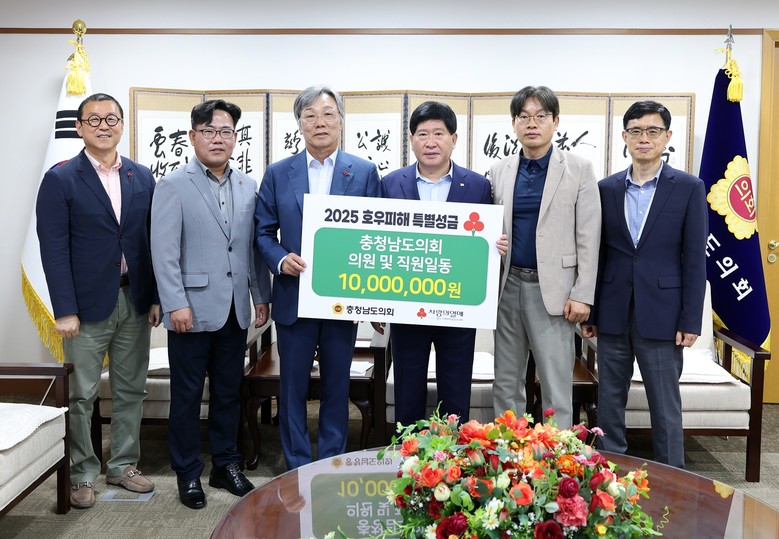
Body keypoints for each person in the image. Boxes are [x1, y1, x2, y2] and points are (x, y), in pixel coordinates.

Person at [36, 93, 159, 509]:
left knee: (131, 389)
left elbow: (149, 242)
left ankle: (123, 465)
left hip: (134, 299)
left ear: (122, 125)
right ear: (79, 127)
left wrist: (154, 297)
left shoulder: (142, 177)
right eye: (94, 119)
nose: (103, 126)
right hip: (85, 307)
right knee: (81, 394)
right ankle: (81, 473)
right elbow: (53, 249)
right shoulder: (61, 178)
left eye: (111, 119)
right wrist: (64, 309)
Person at [151, 99, 271, 509]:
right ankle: (188, 473)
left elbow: (251, 248)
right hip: (190, 310)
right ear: (193, 136)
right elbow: (164, 251)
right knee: (186, 398)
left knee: (227, 394)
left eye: (225, 132)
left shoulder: (247, 185)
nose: (217, 139)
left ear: (235, 138)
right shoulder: (173, 185)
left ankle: (226, 465)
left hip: (235, 309)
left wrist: (261, 295)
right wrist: (175, 303)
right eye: (208, 131)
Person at [255, 85, 381, 470]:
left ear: (341, 121)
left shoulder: (364, 172)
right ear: (299, 124)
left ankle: (329, 464)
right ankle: (296, 466)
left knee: (336, 387)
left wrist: (371, 299)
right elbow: (263, 232)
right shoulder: (279, 173)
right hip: (294, 296)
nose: (319, 122)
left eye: (328, 114)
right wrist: (280, 259)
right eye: (310, 115)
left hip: (342, 298)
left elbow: (376, 236)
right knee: (291, 389)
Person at [581, 100, 707, 468]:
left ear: (667, 137)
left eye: (653, 131)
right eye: (636, 131)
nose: (644, 138)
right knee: (609, 400)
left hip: (664, 315)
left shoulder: (688, 187)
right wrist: (593, 310)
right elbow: (598, 252)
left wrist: (690, 319)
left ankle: (673, 476)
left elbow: (694, 259)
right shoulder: (606, 188)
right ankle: (608, 475)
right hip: (613, 312)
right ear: (624, 137)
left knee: (665, 404)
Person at [489, 86, 601, 429]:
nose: (532, 123)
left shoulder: (579, 168)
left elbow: (589, 235)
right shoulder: (500, 170)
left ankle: (556, 457)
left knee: (555, 385)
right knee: (506, 383)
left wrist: (583, 294)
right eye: (523, 116)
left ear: (556, 121)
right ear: (514, 123)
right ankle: (507, 451)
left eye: (540, 116)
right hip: (507, 287)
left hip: (554, 292)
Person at [380, 101, 492, 426]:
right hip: (406, 305)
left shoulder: (478, 186)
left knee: (456, 396)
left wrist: (495, 245)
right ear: (411, 139)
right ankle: (407, 454)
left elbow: (485, 243)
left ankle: (455, 454)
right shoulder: (390, 184)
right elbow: (378, 241)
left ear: (454, 139)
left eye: (439, 134)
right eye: (423, 134)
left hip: (457, 307)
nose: (431, 142)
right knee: (408, 393)